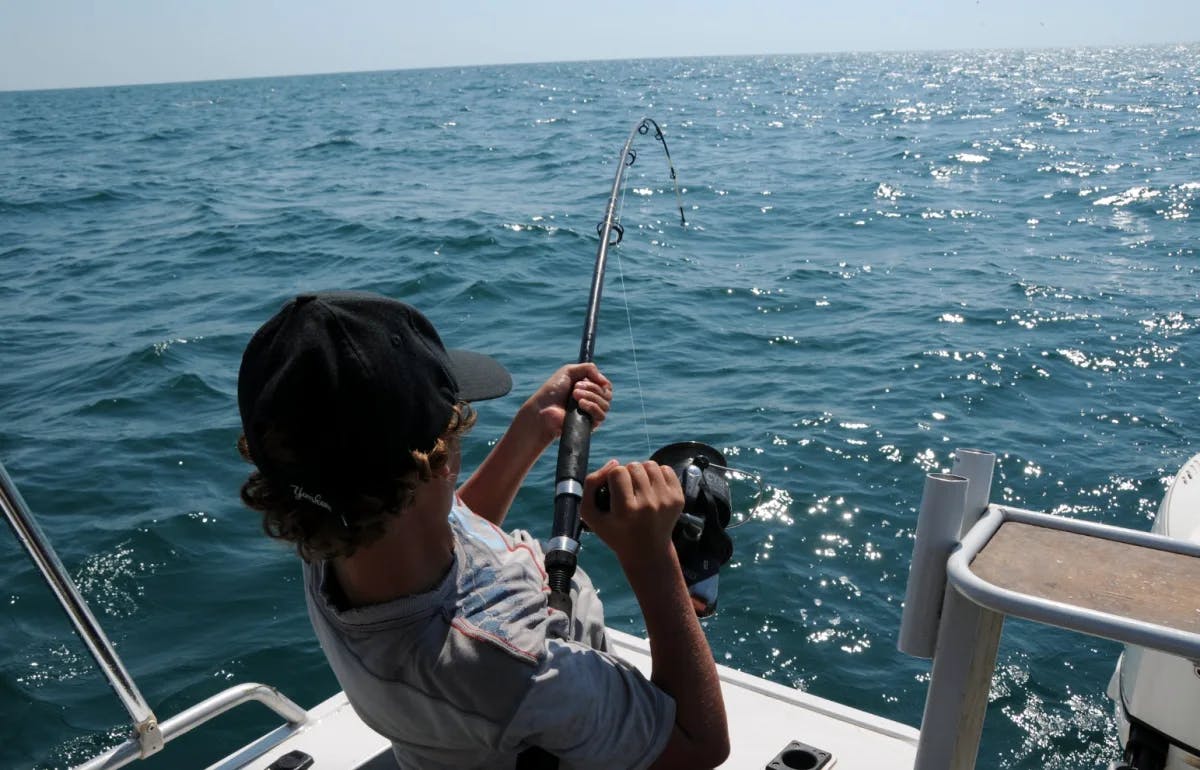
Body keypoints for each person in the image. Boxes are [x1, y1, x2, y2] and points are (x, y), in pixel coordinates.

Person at [236, 290, 729, 770]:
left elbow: (446, 528)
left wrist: (533, 427)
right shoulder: (515, 667)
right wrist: (651, 557)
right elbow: (698, 745)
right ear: (434, 463)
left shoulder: (329, 527)